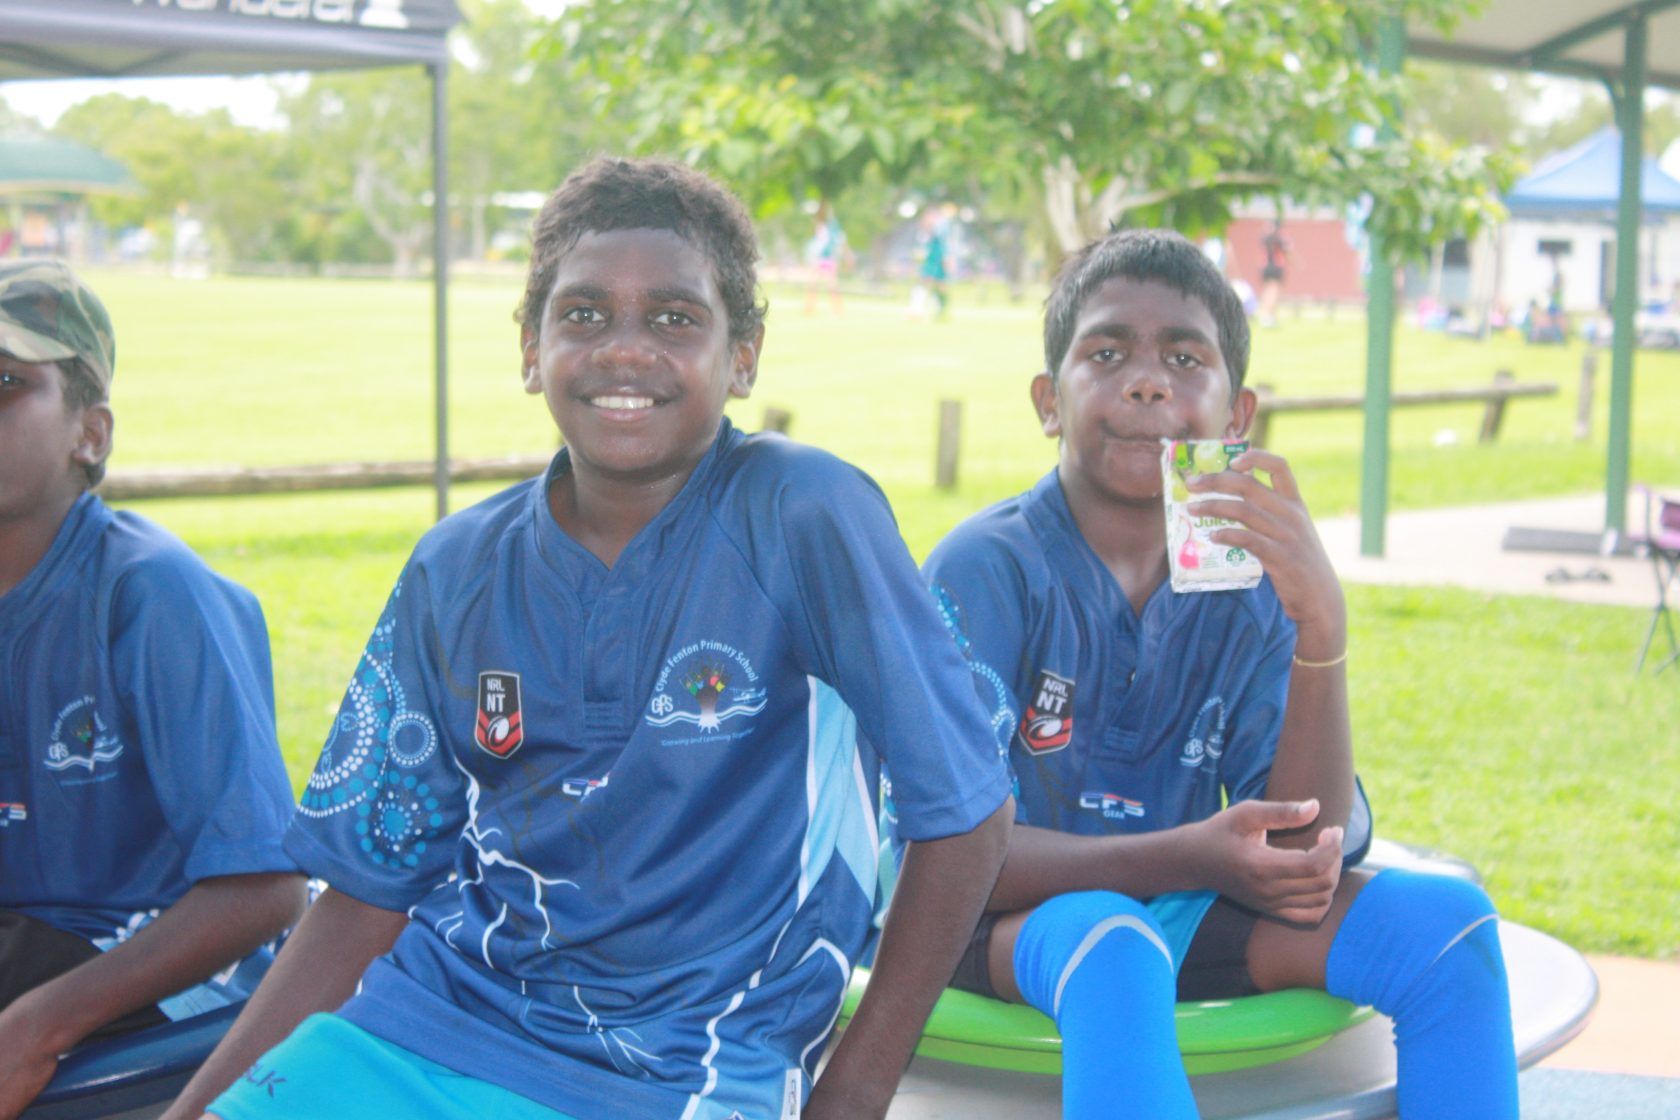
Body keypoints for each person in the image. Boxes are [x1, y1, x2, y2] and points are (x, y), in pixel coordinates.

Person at [167, 158, 1012, 1120]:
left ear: (743, 356)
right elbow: (366, 886)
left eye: (673, 318)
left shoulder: (804, 514)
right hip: (427, 1016)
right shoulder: (458, 565)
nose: (624, 350)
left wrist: (853, 1093)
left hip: (683, 1068)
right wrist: (199, 1106)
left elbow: (965, 813)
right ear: (530, 349)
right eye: (583, 316)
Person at [895, 229, 1517, 1118]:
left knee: (1446, 924)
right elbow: (950, 857)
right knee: (1114, 946)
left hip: (1180, 910)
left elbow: (1302, 852)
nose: (1147, 381)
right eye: (1106, 353)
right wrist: (1191, 852)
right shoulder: (988, 568)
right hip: (993, 919)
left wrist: (1319, 627)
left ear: (1237, 415)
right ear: (1048, 399)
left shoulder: (1248, 578)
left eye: (1185, 358)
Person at [0, 260, 306, 1117]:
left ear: (88, 434)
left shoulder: (152, 593)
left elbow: (263, 887)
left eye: (6, 383)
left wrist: (34, 1028)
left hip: (146, 971)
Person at [803, 201, 849, 315]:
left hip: (828, 259)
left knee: (831, 284)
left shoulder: (833, 229)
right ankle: (810, 307)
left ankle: (837, 308)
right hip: (820, 259)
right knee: (814, 283)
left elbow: (840, 243)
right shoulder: (823, 228)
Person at [1258, 220, 1288, 326]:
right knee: (1273, 291)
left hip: (1265, 267)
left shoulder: (1264, 238)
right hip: (1275, 267)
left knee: (1267, 290)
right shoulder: (1279, 238)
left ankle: (1264, 314)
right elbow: (1287, 251)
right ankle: (1269, 315)